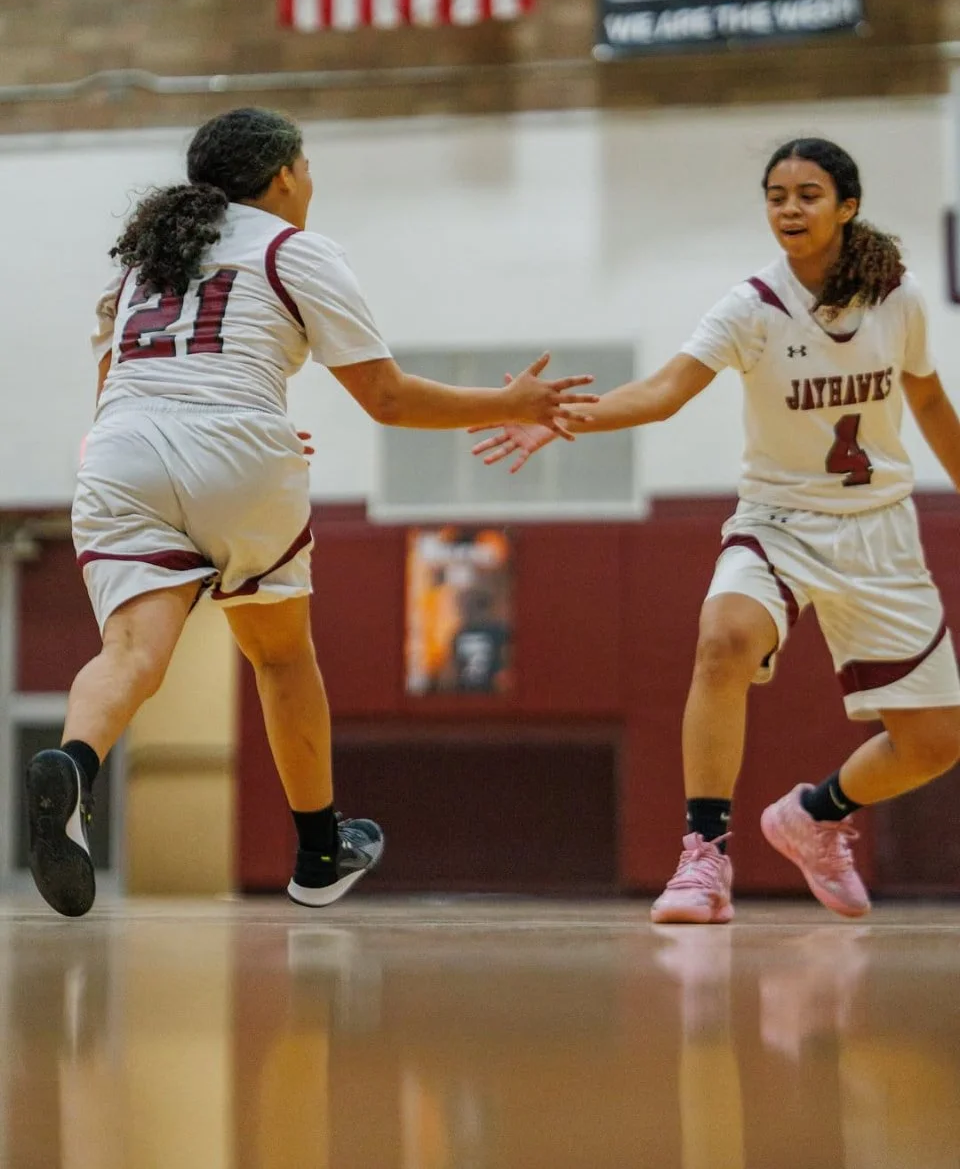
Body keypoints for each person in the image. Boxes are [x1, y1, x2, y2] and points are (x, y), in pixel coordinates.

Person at [26, 106, 596, 919]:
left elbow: (121, 392)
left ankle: (75, 763)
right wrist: (507, 401)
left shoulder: (137, 270)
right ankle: (321, 849)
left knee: (130, 650)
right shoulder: (293, 250)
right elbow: (387, 398)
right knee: (280, 655)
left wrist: (194, 436)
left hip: (119, 453)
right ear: (285, 174)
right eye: (309, 168)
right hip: (241, 453)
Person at [472, 137, 960, 922]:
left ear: (847, 205)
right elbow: (664, 391)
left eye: (807, 194)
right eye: (776, 195)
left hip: (879, 528)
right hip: (780, 519)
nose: (790, 208)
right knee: (723, 638)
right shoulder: (751, 306)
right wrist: (562, 418)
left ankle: (816, 815)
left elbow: (931, 403)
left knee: (936, 741)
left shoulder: (896, 300)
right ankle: (704, 858)